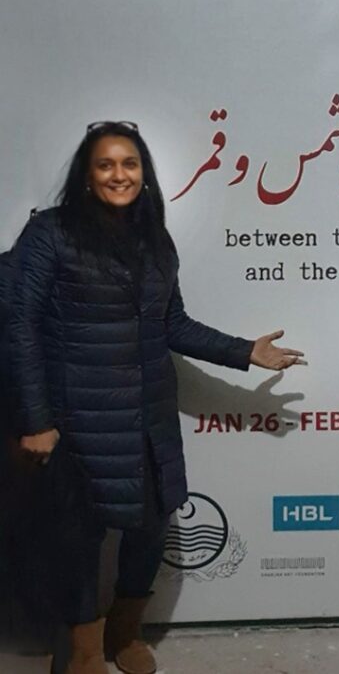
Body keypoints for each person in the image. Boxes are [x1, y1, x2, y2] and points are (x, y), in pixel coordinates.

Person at [8, 121, 305, 674]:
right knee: (79, 540)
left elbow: (173, 324)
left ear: (144, 174)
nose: (118, 174)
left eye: (130, 164)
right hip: (80, 418)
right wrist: (37, 420)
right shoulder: (51, 232)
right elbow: (18, 325)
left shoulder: (155, 240)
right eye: (105, 164)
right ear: (87, 175)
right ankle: (83, 651)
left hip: (149, 415)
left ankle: (125, 633)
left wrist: (245, 352)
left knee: (150, 527)